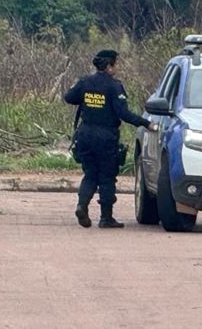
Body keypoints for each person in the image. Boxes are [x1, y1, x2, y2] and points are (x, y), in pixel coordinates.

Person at [64, 49, 156, 229]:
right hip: (106, 137)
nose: (117, 67)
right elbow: (123, 113)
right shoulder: (114, 86)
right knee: (106, 176)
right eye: (116, 64)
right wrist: (146, 123)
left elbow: (69, 97)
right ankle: (106, 218)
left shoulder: (84, 82)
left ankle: (82, 206)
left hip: (85, 135)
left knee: (90, 174)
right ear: (109, 66)